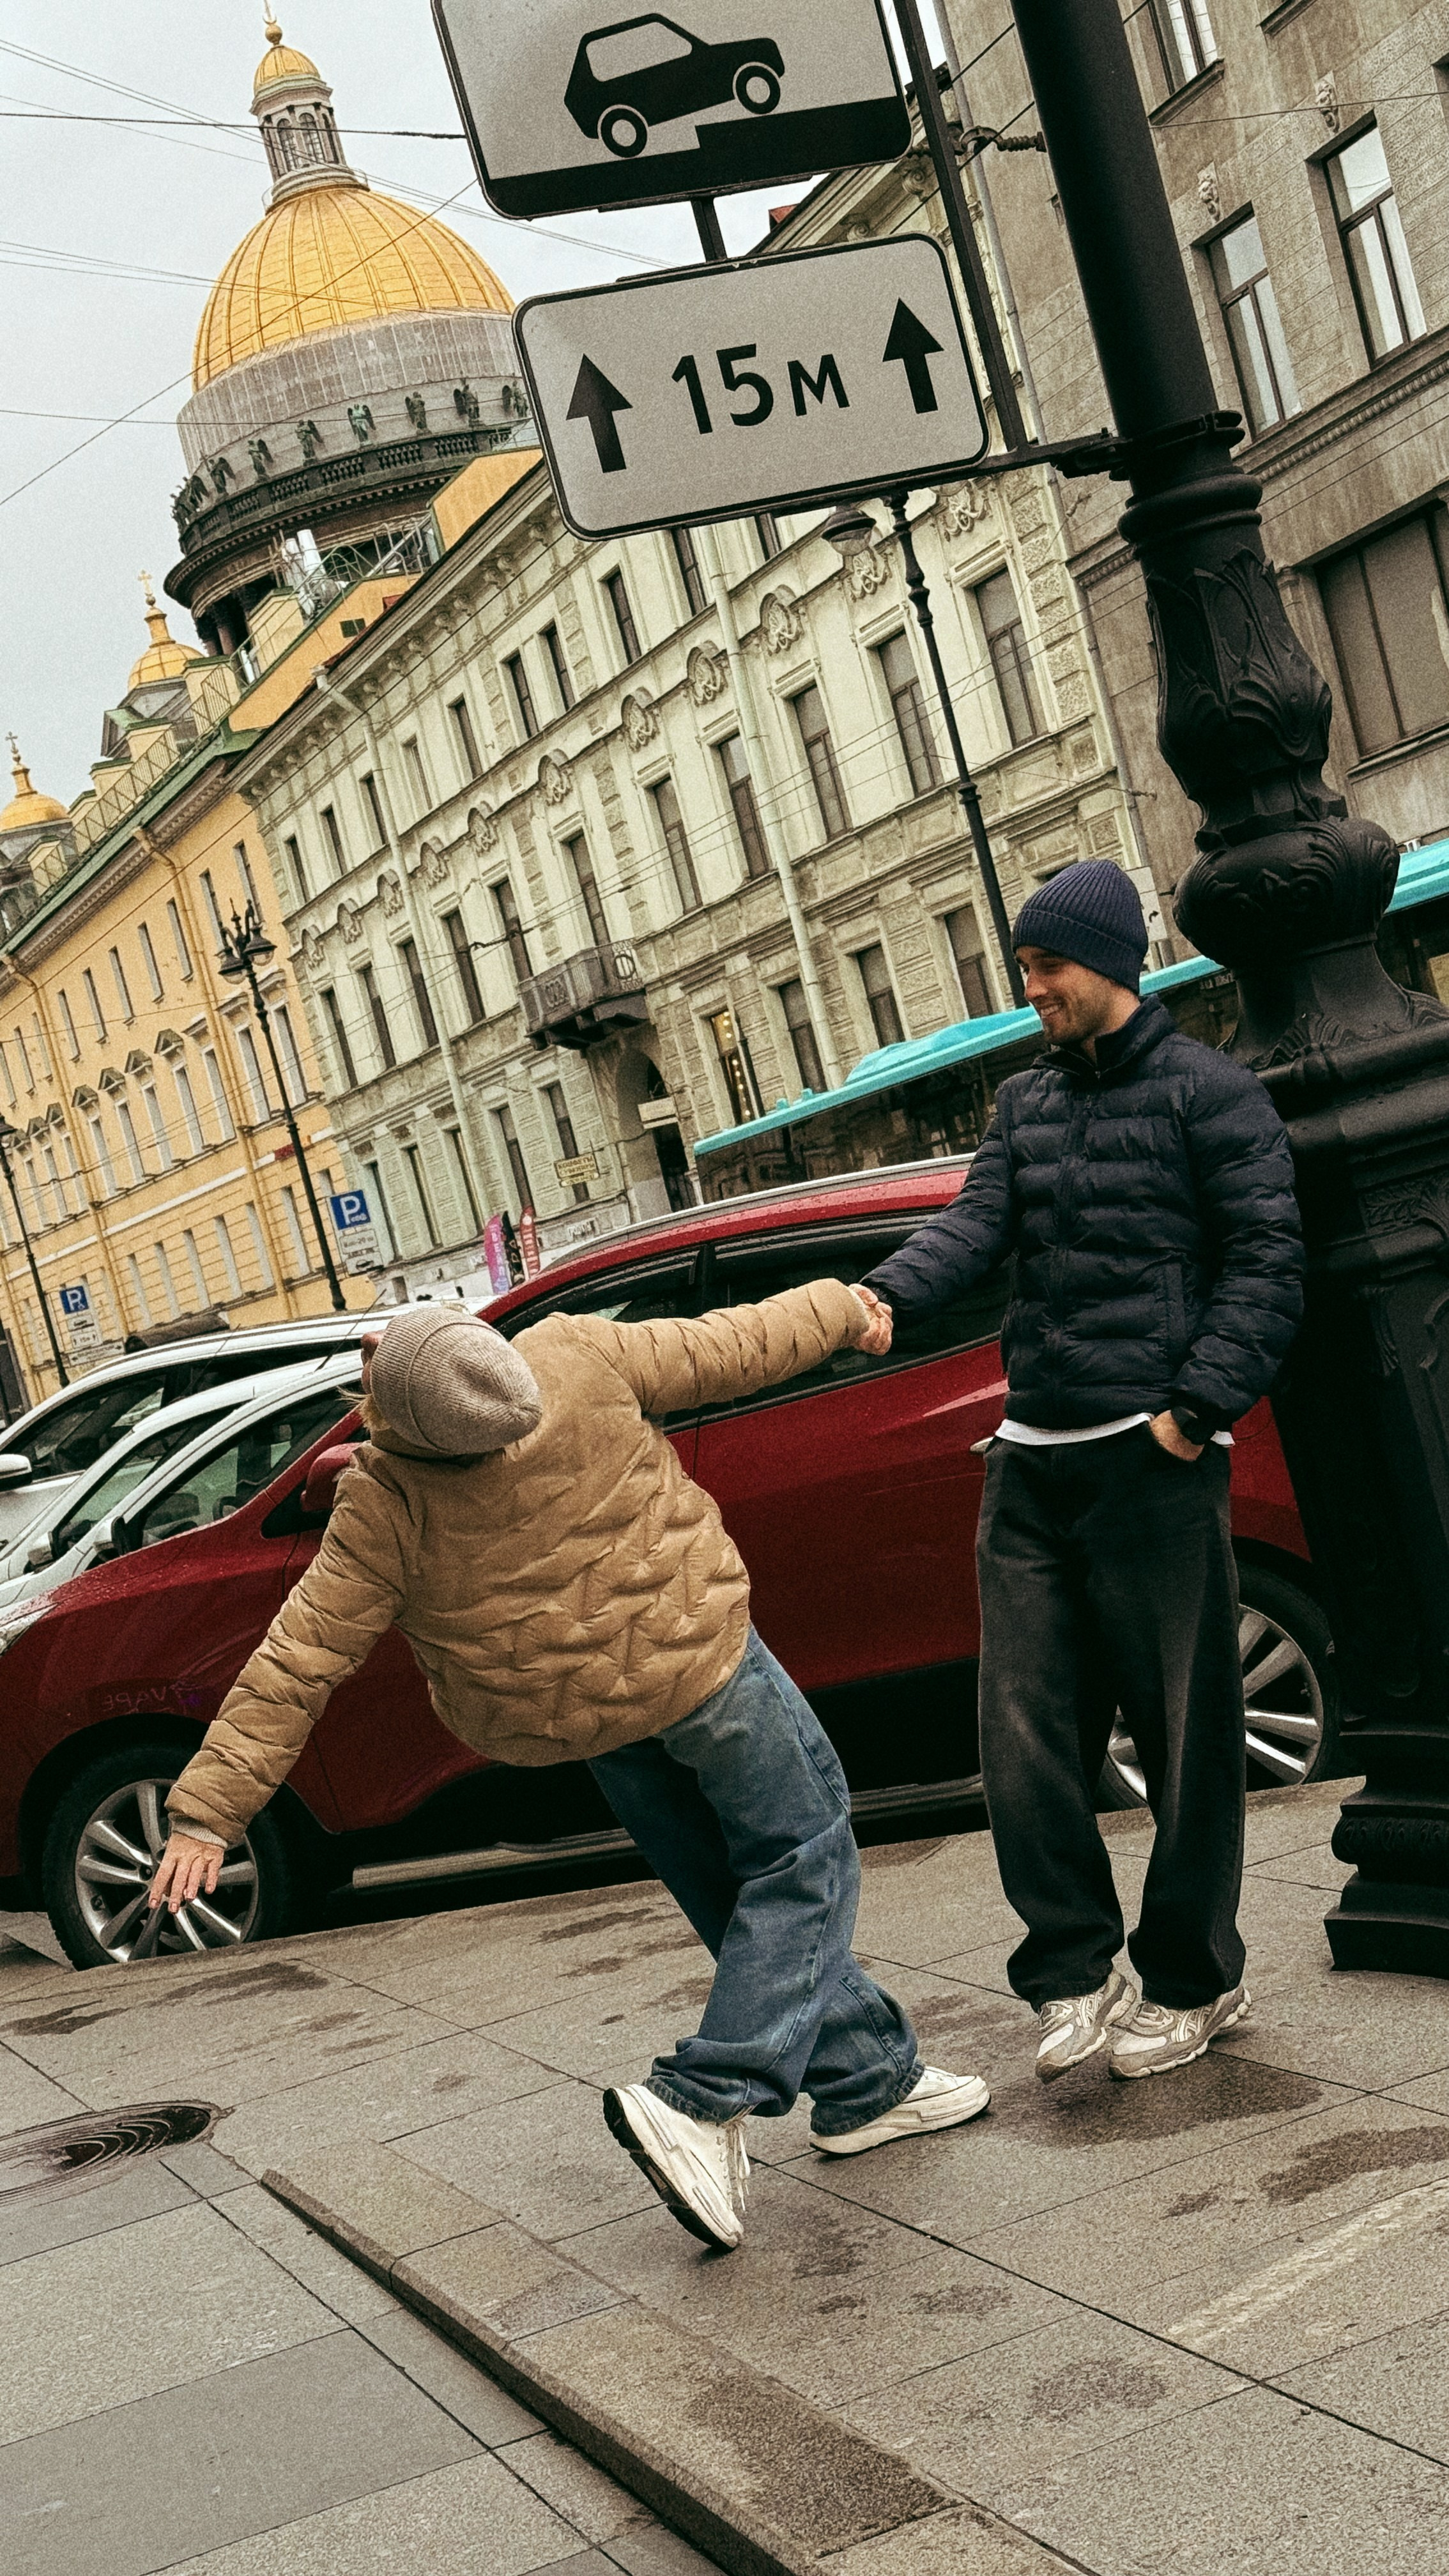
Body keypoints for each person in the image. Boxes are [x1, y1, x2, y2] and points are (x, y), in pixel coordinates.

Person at [148, 1294, 988, 2251]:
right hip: (700, 1667)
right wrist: (844, 1309)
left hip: (580, 1718)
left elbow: (299, 1658)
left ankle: (866, 2080)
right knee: (805, 1853)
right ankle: (703, 2102)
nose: (372, 1344)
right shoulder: (577, 1357)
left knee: (727, 1884)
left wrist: (211, 1814)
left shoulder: (385, 1498)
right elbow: (737, 1343)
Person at [858, 859, 1304, 2083]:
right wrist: (881, 1295)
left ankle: (1193, 1980)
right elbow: (973, 1227)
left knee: (1184, 1735)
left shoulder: (1212, 1095)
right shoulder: (1024, 1104)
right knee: (1022, 1737)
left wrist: (1194, 1411)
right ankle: (1071, 1969)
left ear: (1105, 959)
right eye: (1026, 969)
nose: (1032, 988)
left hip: (1151, 1462)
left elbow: (1268, 1262)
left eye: (1045, 966)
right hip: (1034, 1463)